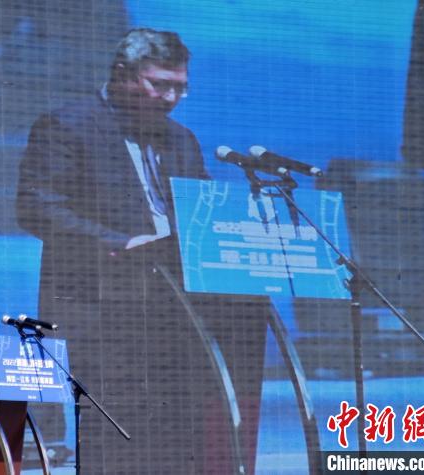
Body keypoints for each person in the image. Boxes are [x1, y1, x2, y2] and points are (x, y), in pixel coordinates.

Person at [17, 28, 267, 473]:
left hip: (177, 311)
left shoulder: (182, 139)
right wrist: (119, 244)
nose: (172, 98)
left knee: (176, 437)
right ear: (122, 74)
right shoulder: (67, 125)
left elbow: (200, 213)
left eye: (181, 87)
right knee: (116, 438)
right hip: (102, 303)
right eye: (160, 84)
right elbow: (38, 207)